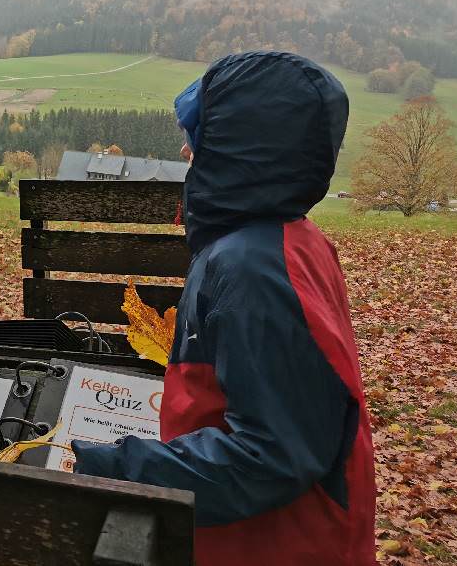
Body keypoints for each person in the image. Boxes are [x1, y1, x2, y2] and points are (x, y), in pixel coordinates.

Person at [73, 52, 377, 566]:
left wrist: (119, 468)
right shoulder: (279, 243)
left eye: (199, 134)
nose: (185, 148)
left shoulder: (252, 267)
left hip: (278, 545)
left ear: (239, 150)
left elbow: (273, 452)